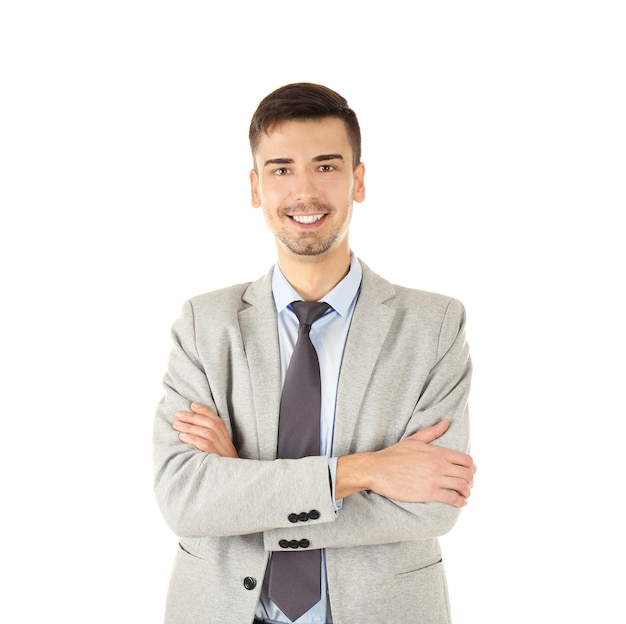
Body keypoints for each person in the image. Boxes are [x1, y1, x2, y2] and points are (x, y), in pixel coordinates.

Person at [153, 82, 476, 624]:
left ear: (359, 180)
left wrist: (245, 485)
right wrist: (366, 470)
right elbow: (185, 499)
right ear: (256, 187)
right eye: (281, 169)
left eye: (326, 166)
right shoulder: (204, 325)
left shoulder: (434, 325)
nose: (305, 191)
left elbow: (432, 504)